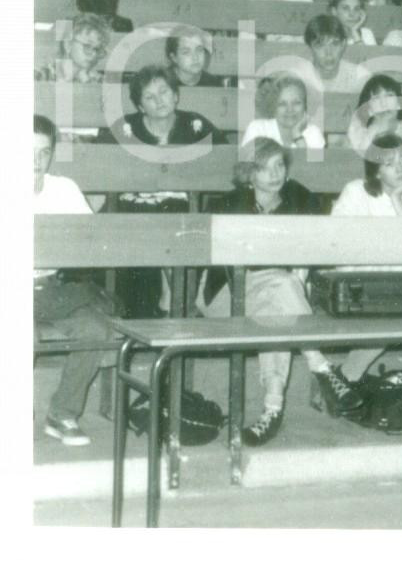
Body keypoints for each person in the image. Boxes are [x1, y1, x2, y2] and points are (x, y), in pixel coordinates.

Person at [200, 140, 363, 445]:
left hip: (279, 300)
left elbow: (315, 251)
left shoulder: (302, 199)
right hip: (228, 295)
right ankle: (321, 366)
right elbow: (226, 267)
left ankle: (271, 411)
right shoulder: (227, 204)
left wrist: (295, 273)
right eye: (264, 167)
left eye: (280, 165)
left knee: (277, 315)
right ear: (249, 173)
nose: (274, 174)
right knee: (280, 283)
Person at [98, 66, 226, 318]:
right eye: (149, 97)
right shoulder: (123, 129)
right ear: (140, 106)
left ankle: (175, 305)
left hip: (181, 206)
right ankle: (157, 311)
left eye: (164, 92)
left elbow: (223, 164)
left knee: (185, 224)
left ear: (176, 95)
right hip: (133, 209)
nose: (159, 100)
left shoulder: (196, 125)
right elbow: (99, 165)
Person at [331, 134, 402, 388]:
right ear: (376, 171)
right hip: (363, 286)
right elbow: (341, 248)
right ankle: (346, 378)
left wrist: (397, 199)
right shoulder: (355, 192)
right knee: (389, 316)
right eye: (390, 163)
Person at [34, 115, 115, 447]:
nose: (35, 160)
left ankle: (62, 413)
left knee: (95, 329)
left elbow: (90, 241)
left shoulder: (63, 189)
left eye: (43, 151)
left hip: (55, 289)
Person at [347, 76, 402, 155]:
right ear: (369, 108)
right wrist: (372, 131)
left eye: (389, 96)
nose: (384, 104)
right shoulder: (359, 130)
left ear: (399, 103)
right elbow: (356, 163)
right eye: (376, 98)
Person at [291, 15, 371, 95]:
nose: (329, 52)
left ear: (343, 45)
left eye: (335, 44)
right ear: (310, 47)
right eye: (320, 45)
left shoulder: (359, 77)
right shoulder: (297, 77)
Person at [241, 76, 325, 149]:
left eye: (296, 103)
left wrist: (298, 137)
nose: (290, 109)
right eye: (282, 104)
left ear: (305, 106)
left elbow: (311, 167)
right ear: (273, 107)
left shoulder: (313, 133)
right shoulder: (257, 129)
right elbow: (247, 165)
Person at [35, 13, 110, 83]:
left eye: (97, 49)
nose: (94, 54)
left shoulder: (99, 81)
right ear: (68, 45)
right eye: (87, 46)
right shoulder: (41, 77)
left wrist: (86, 81)